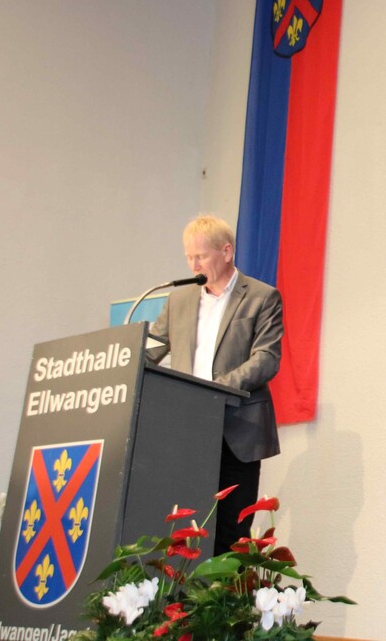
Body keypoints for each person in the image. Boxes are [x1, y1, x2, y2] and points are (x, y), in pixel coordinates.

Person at [147, 214, 284, 555]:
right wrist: (121, 357)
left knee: (230, 535)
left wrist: (215, 390)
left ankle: (225, 590)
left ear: (226, 252)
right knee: (184, 532)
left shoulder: (261, 297)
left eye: (201, 256)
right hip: (186, 430)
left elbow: (266, 358)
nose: (194, 265)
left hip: (237, 430)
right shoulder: (178, 301)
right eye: (189, 257)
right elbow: (151, 350)